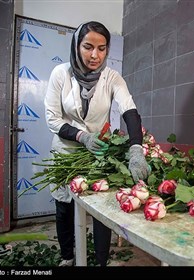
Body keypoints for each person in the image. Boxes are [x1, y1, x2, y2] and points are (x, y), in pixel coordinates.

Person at [44, 21, 150, 266]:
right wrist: (82, 136)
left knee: (101, 208)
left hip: (97, 155)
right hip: (66, 151)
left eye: (102, 48)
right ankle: (67, 256)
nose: (95, 55)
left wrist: (136, 148)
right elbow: (53, 118)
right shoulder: (61, 73)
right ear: (76, 46)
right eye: (88, 47)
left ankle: (101, 262)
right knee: (65, 205)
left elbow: (129, 110)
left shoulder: (112, 77)